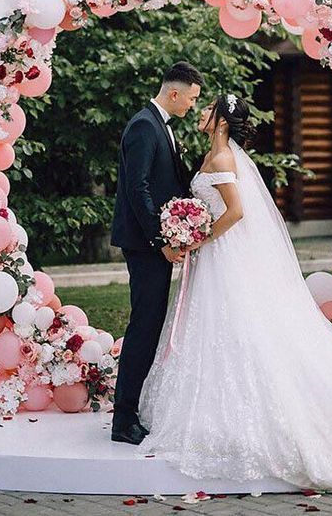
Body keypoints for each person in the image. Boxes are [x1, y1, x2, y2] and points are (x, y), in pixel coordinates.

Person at [136, 94, 332, 492]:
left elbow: (235, 212)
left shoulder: (221, 160)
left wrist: (201, 237)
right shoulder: (214, 156)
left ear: (220, 121)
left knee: (232, 324)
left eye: (208, 110)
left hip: (220, 252)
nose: (201, 114)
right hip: (216, 257)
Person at [110, 61, 204, 445]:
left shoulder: (159, 125)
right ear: (175, 93)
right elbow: (138, 189)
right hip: (145, 246)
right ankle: (123, 419)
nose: (192, 107)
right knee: (143, 328)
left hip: (154, 243)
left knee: (149, 325)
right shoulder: (145, 126)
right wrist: (160, 240)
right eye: (192, 99)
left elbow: (169, 181)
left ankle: (129, 411)